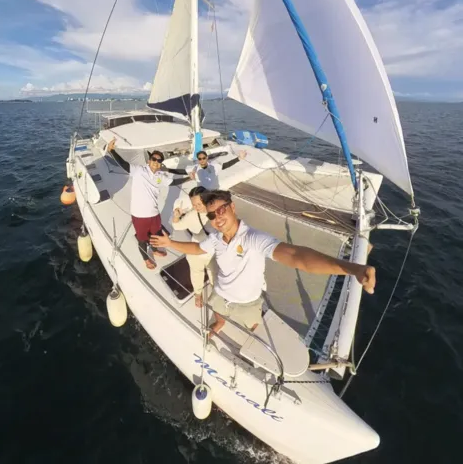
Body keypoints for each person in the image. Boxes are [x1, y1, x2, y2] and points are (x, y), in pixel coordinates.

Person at [151, 189, 376, 334]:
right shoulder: (216, 239)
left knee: (253, 324)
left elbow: (296, 256)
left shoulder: (253, 238)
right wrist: (170, 243)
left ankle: (251, 329)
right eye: (212, 214)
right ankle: (220, 322)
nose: (217, 217)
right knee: (217, 309)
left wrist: (350, 268)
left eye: (221, 210)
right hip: (221, 294)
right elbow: (198, 248)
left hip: (248, 302)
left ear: (232, 207)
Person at [107, 138, 189, 270]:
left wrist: (189, 178)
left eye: (159, 160)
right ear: (149, 161)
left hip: (154, 213)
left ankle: (155, 250)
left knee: (156, 235)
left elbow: (173, 182)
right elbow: (124, 164)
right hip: (139, 215)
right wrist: (112, 151)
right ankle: (146, 259)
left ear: (160, 164)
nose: (156, 162)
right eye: (154, 159)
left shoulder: (160, 176)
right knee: (142, 239)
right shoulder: (139, 170)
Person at [171, 186, 216, 308]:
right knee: (196, 273)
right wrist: (176, 216)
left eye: (199, 204)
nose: (196, 207)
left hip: (213, 252)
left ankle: (216, 292)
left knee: (214, 273)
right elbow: (176, 226)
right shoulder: (192, 215)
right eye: (194, 205)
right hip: (195, 251)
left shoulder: (216, 211)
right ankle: (198, 294)